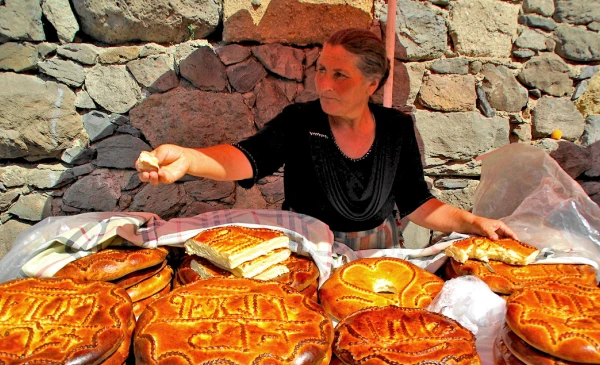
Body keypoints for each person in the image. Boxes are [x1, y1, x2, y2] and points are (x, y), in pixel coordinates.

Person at [136, 28, 517, 249]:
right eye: (321, 70)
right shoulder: (301, 121)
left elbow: (417, 204)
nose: (323, 85)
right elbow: (247, 157)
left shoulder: (396, 129)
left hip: (378, 255)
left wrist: (472, 222)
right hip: (307, 250)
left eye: (340, 75)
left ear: (373, 83)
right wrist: (188, 159)